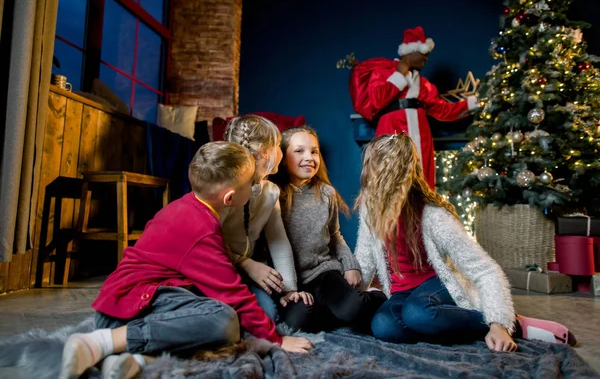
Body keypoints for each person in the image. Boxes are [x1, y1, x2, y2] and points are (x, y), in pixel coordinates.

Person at [59, 142, 312, 379]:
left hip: (144, 302)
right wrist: (276, 340)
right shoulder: (200, 229)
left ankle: (136, 361)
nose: (254, 186)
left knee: (213, 318)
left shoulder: (189, 205)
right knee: (224, 321)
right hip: (129, 309)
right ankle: (98, 343)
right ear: (230, 198)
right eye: (250, 183)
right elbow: (233, 293)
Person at [354, 133, 576, 351]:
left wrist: (498, 322)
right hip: (402, 292)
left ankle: (514, 325)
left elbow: (485, 270)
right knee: (384, 327)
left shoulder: (433, 216)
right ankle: (437, 325)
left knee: (417, 313)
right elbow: (363, 261)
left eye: (375, 170)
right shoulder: (370, 211)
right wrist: (346, 302)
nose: (368, 177)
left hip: (438, 283)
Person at [272, 127, 386, 333]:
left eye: (314, 151)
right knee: (300, 322)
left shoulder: (326, 193)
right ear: (282, 156)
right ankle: (332, 308)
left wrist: (350, 265)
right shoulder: (273, 195)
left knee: (353, 310)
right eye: (299, 151)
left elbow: (335, 237)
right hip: (292, 280)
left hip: (324, 274)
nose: (309, 157)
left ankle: (373, 295)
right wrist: (288, 290)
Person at [350, 26, 478, 188]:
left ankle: (422, 212)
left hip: (421, 134)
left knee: (422, 182)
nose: (426, 59)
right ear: (412, 52)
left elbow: (442, 111)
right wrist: (399, 76)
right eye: (424, 55)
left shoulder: (424, 84)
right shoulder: (384, 72)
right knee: (392, 182)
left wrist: (472, 103)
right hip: (392, 131)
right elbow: (377, 100)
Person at [221, 115, 311, 322]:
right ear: (265, 152)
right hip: (220, 267)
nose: (281, 151)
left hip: (252, 272)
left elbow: (278, 240)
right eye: (278, 145)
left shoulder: (270, 192)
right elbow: (208, 239)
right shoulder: (225, 189)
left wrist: (289, 289)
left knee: (270, 314)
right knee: (244, 316)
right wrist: (245, 263)